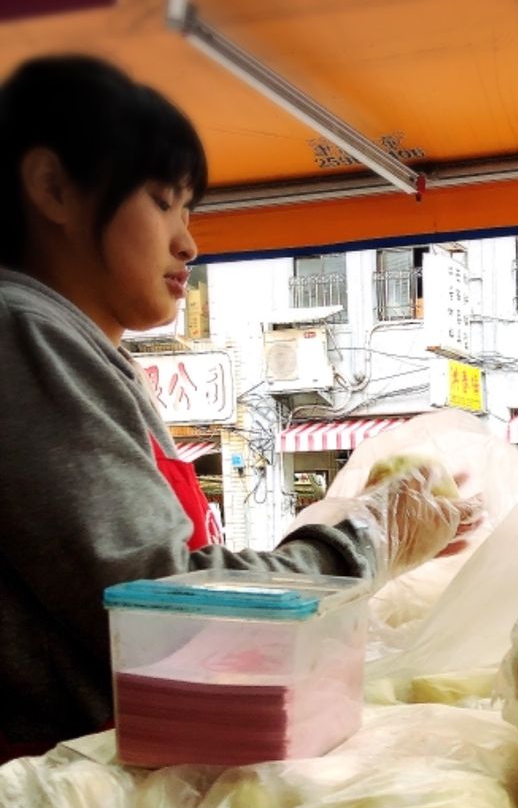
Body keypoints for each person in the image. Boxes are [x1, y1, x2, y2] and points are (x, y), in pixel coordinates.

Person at [0, 55, 480, 754]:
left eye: (188, 210)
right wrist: (363, 541)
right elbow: (163, 606)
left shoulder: (74, 349)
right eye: (163, 202)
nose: (188, 242)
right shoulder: (26, 333)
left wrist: (372, 545)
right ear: (55, 188)